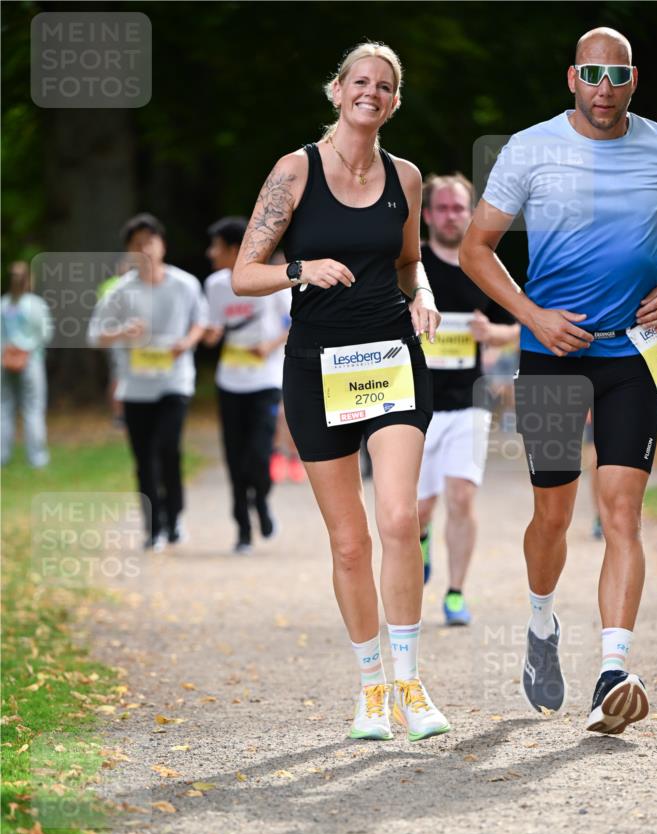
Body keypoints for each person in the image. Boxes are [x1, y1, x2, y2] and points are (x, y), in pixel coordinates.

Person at [232, 41, 450, 742]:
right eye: (360, 81)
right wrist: (301, 267)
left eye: (384, 85)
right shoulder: (295, 171)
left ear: (393, 101)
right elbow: (244, 272)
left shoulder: (406, 177)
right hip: (315, 367)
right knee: (351, 543)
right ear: (337, 91)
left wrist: (422, 298)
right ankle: (370, 691)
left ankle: (411, 684)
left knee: (397, 520)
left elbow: (412, 263)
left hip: (390, 358)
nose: (371, 92)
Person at [460, 27, 657, 735]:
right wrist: (530, 315)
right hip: (550, 354)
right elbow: (474, 247)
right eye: (591, 74)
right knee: (552, 512)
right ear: (570, 79)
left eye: (617, 75)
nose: (603, 88)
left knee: (620, 514)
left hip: (632, 357)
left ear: (632, 80)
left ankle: (611, 670)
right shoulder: (529, 147)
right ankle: (541, 625)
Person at [417, 173, 519, 625]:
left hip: (469, 402)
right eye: (442, 208)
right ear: (427, 215)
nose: (451, 215)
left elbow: (524, 323)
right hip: (413, 406)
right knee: (418, 508)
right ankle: (419, 540)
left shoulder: (484, 263)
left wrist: (491, 332)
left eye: (459, 208)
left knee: (460, 498)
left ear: (471, 212)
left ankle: (456, 593)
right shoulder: (409, 264)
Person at [88, 213, 208, 549]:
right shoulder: (120, 291)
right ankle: (152, 527)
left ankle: (175, 517)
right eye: (137, 244)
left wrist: (186, 342)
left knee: (168, 448)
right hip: (136, 386)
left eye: (150, 241)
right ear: (129, 251)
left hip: (175, 381)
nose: (145, 248)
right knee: (144, 458)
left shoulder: (184, 284)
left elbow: (201, 320)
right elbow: (95, 335)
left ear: (162, 245)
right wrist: (122, 332)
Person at [204, 217, 289, 553]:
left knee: (258, 454)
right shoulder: (215, 286)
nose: (211, 253)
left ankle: (262, 502)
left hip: (266, 381)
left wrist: (269, 346)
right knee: (234, 457)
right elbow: (214, 327)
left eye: (216, 247)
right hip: (229, 381)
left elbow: (293, 324)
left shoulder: (270, 279)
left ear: (235, 249)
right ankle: (242, 528)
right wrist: (211, 335)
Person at [1, 261, 53, 468]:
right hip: (31, 361)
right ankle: (38, 460)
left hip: (4, 361)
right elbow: (46, 334)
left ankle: (2, 457)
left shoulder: (3, 304)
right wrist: (26, 348)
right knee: (33, 409)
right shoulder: (36, 304)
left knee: (4, 409)